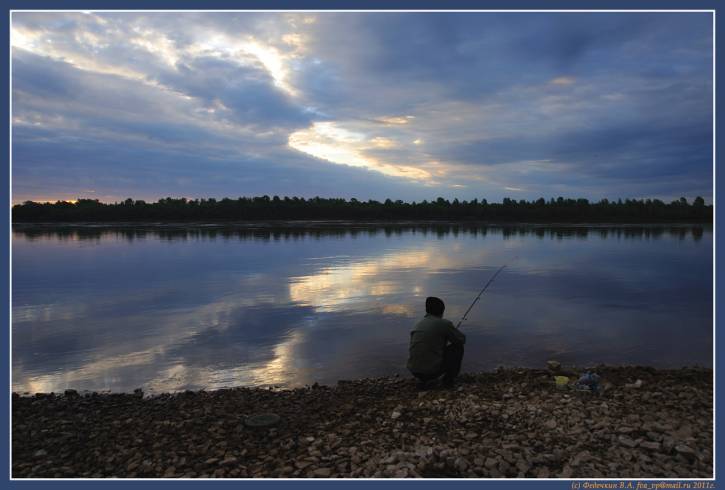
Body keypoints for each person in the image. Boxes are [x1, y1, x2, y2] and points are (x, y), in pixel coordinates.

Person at [407, 296, 466, 389]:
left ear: (427, 310)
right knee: (458, 348)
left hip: (414, 370)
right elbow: (461, 340)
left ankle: (423, 380)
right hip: (431, 372)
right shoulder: (444, 324)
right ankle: (448, 381)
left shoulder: (418, 324)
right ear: (442, 311)